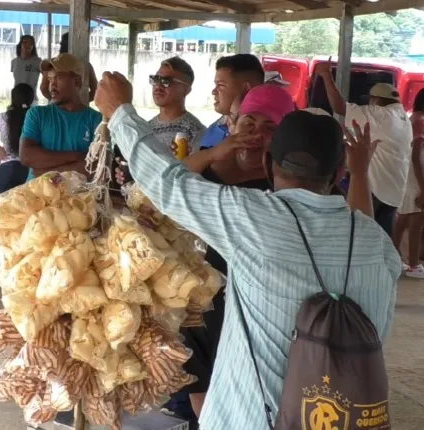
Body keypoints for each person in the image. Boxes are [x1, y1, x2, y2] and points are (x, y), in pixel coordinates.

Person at [95, 71, 398, 430]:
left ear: (270, 165)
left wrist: (120, 112)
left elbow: (166, 182)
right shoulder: (377, 243)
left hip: (250, 421)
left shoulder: (251, 218)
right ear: (338, 173)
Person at [165, 84, 295, 423]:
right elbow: (165, 186)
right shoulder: (205, 172)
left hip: (258, 315)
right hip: (198, 313)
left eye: (271, 128)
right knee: (202, 406)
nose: (256, 135)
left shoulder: (282, 185)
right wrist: (213, 154)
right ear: (232, 124)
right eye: (249, 124)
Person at [317, 64, 413, 237]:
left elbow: (340, 107)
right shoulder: (403, 117)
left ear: (376, 101)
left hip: (376, 189)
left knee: (360, 234)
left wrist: (326, 76)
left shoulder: (382, 115)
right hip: (395, 190)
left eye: (370, 101)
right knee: (382, 236)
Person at [20, 53, 102, 180]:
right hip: (36, 197)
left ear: (77, 81)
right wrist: (77, 157)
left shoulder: (96, 120)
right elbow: (26, 156)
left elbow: (96, 166)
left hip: (77, 198)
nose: (52, 85)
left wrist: (43, 172)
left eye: (58, 78)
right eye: (50, 79)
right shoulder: (37, 114)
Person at [200, 54, 265, 149]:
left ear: (246, 89)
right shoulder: (215, 128)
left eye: (221, 85)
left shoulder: (263, 136)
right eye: (216, 85)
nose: (213, 91)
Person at [147, 57, 206, 156]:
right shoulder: (145, 128)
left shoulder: (196, 132)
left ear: (186, 90)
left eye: (166, 81)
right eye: (156, 79)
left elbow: (192, 170)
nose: (158, 86)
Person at [393, 88, 424, 277]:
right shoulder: (420, 122)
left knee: (405, 217)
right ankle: (412, 263)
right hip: (416, 175)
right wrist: (423, 186)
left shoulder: (413, 118)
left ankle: (397, 258)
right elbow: (415, 155)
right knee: (416, 219)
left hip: (410, 174)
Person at [41, 33, 98, 102]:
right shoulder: (86, 65)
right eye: (50, 79)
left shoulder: (52, 63)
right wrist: (82, 101)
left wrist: (56, 98)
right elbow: (95, 90)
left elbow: (44, 88)